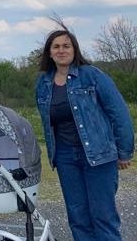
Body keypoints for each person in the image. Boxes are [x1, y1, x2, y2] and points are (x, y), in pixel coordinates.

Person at [36, 28, 134, 241]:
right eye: (56, 47)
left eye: (66, 46)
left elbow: (119, 113)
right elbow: (47, 123)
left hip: (98, 154)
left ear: (74, 49)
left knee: (103, 216)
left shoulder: (92, 76)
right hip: (65, 157)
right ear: (49, 53)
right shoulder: (43, 84)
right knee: (78, 217)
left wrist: (124, 151)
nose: (61, 50)